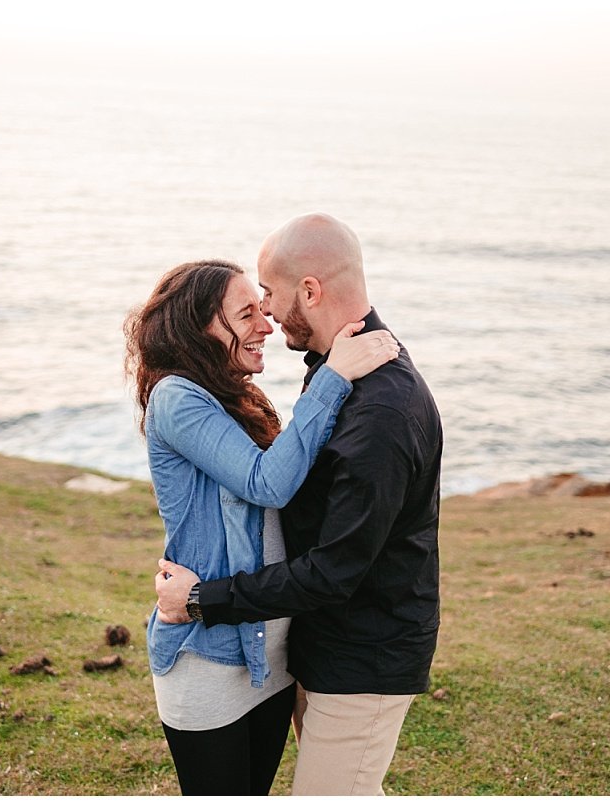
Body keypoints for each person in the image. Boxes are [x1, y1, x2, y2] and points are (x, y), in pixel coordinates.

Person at [155, 213, 443, 796]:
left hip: (361, 656)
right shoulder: (332, 372)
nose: (266, 314)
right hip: (312, 647)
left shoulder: (376, 405)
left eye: (267, 295)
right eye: (250, 306)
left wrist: (202, 598)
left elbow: (331, 565)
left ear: (309, 290)